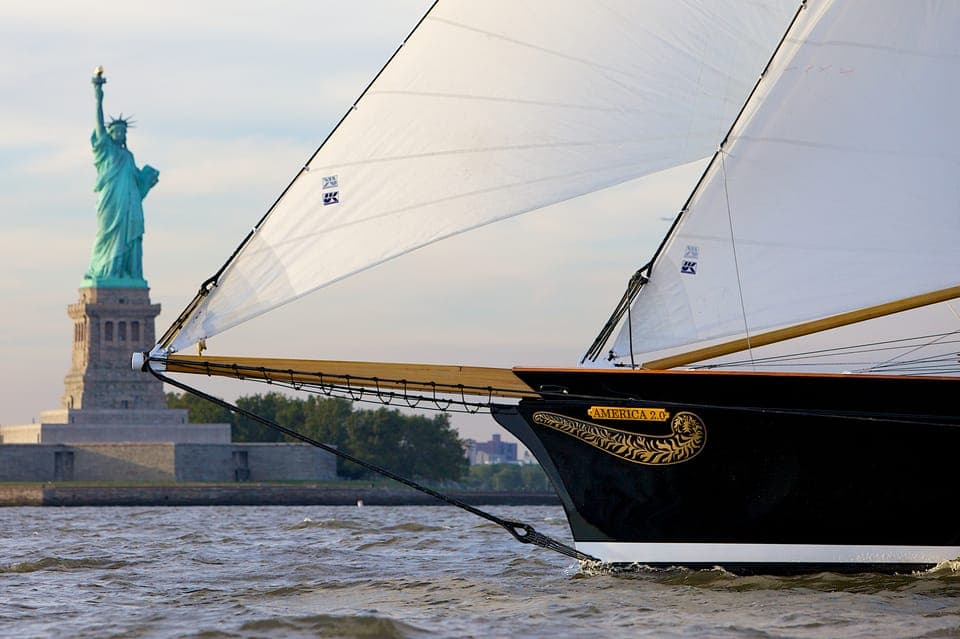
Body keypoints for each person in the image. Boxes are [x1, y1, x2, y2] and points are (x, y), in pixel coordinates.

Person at [84, 67, 159, 286]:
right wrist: (98, 95)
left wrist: (147, 181)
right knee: (106, 235)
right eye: (116, 131)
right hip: (111, 202)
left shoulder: (129, 156)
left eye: (123, 131)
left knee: (130, 239)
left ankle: (127, 273)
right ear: (110, 134)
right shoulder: (106, 150)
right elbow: (99, 124)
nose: (120, 133)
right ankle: (107, 272)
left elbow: (137, 186)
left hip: (129, 205)